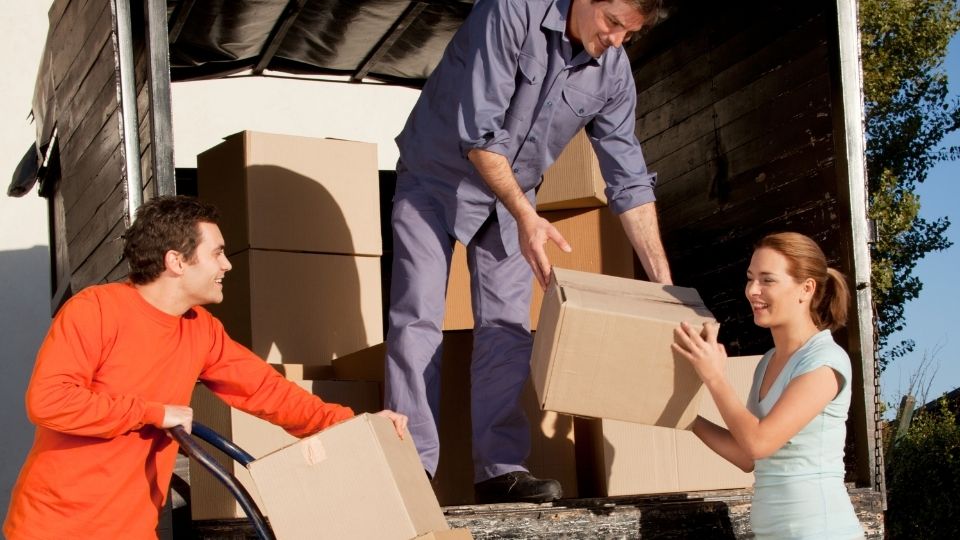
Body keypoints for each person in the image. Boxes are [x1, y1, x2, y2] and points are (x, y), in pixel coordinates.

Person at [387, 0, 672, 504]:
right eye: (612, 24)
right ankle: (412, 468)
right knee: (418, 318)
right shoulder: (510, 11)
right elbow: (479, 134)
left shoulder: (613, 72)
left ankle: (498, 470)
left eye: (630, 34)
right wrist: (525, 217)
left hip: (514, 193)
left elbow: (629, 179)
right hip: (436, 174)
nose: (616, 41)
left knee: (508, 327)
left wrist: (666, 291)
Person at [3, 196, 407, 540]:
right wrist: (153, 412)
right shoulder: (96, 310)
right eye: (216, 253)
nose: (226, 265)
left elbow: (268, 391)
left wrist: (358, 425)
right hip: (55, 527)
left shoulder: (201, 331)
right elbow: (50, 401)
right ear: (176, 261)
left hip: (134, 529)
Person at [672, 232, 865, 539]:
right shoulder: (768, 362)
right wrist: (684, 417)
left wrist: (715, 377)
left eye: (767, 280)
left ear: (806, 288)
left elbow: (759, 442)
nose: (752, 290)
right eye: (750, 278)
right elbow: (747, 456)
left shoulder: (825, 360)